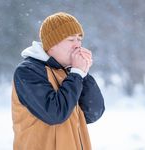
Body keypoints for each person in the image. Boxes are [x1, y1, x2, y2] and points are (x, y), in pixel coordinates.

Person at [11, 12, 105, 150]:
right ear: (52, 44)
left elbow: (92, 113)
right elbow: (55, 114)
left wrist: (83, 74)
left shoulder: (71, 72)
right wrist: (77, 74)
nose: (77, 45)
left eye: (79, 39)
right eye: (71, 40)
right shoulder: (28, 71)